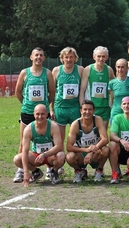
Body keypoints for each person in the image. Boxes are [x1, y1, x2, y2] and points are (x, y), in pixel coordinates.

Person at [14, 47, 55, 183]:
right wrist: (27, 105)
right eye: (36, 55)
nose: (38, 57)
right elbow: (18, 92)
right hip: (27, 112)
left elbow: (52, 93)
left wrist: (43, 107)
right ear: (31, 57)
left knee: (49, 140)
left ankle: (50, 168)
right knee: (23, 141)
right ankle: (21, 170)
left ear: (44, 58)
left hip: (43, 113)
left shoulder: (47, 73)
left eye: (41, 55)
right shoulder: (24, 73)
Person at [50, 47, 84, 177]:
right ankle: (59, 166)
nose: (69, 59)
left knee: (76, 139)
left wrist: (82, 108)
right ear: (62, 58)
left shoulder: (80, 70)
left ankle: (79, 164)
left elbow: (83, 89)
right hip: (60, 108)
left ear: (75, 58)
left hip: (75, 108)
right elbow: (52, 92)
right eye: (66, 57)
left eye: (71, 57)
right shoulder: (57, 70)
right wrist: (51, 109)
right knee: (60, 139)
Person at [13, 104, 64, 186]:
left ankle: (54, 172)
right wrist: (25, 172)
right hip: (36, 155)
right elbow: (25, 150)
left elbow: (59, 146)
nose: (40, 116)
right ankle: (36, 172)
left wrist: (45, 154)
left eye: (42, 114)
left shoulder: (53, 126)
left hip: (50, 155)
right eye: (37, 114)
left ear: (47, 114)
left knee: (61, 156)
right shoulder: (28, 129)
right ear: (34, 114)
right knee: (17, 159)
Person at [66, 100, 110, 183]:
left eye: (90, 109)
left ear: (94, 111)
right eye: (85, 109)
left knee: (105, 150)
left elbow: (105, 139)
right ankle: (79, 171)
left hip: (94, 153)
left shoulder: (97, 119)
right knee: (69, 157)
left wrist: (91, 152)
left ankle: (99, 170)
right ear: (81, 111)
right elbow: (69, 147)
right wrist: (86, 150)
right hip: (81, 154)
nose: (87, 112)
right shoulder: (75, 124)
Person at [79, 46, 115, 129]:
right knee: (91, 133)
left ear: (107, 57)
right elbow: (82, 90)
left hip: (105, 107)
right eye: (99, 56)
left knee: (103, 134)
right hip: (91, 107)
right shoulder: (88, 69)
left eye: (103, 56)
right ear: (94, 57)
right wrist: (82, 107)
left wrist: (113, 103)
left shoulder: (109, 70)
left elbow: (113, 88)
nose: (101, 59)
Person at [109, 97, 129, 184]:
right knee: (112, 144)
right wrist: (122, 140)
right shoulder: (117, 118)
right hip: (121, 150)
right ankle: (115, 173)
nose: (126, 106)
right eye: (124, 104)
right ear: (121, 106)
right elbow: (112, 135)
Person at [108, 58, 129, 123]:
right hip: (116, 112)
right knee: (114, 132)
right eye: (118, 67)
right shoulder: (111, 83)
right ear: (115, 67)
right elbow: (112, 98)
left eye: (122, 67)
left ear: (127, 68)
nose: (120, 69)